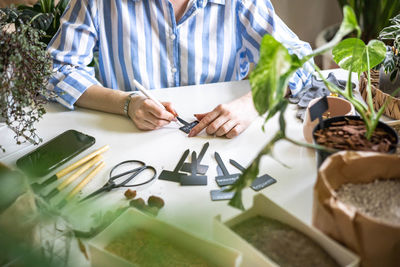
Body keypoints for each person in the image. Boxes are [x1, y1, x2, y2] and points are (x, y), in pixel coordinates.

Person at [47, 0, 314, 138]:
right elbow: (57, 69)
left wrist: (252, 103)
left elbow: (298, 58)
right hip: (130, 141)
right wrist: (127, 103)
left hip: (219, 141)